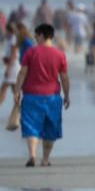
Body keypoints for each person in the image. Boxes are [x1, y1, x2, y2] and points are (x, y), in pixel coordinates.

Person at [13, 24, 70, 167]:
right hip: (52, 97)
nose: (35, 38)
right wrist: (67, 95)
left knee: (31, 126)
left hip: (32, 96)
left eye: (36, 35)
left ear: (43, 35)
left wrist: (17, 90)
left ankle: (32, 155)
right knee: (50, 129)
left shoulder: (31, 52)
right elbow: (64, 77)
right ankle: (45, 159)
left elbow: (22, 73)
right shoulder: (60, 54)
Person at [0, 23, 19, 106]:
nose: (5, 32)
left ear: (9, 31)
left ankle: (18, 109)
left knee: (4, 88)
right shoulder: (11, 39)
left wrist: (8, 68)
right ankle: (18, 110)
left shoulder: (13, 39)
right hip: (13, 67)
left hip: (13, 67)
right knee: (14, 90)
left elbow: (13, 55)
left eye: (6, 31)